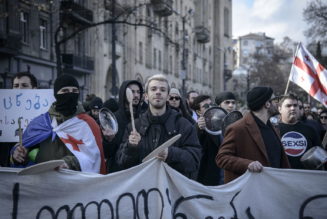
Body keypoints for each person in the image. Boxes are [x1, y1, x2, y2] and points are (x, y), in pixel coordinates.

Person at [10, 74, 106, 173]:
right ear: (56, 94)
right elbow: (25, 152)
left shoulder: (88, 123)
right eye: (65, 91)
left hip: (76, 183)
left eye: (74, 91)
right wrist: (17, 153)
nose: (70, 94)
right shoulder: (40, 122)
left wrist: (70, 163)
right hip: (43, 182)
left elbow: (94, 156)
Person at [116, 74, 201, 179]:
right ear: (146, 96)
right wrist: (131, 147)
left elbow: (195, 161)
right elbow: (122, 164)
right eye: (153, 89)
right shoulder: (134, 127)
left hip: (172, 190)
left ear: (167, 96)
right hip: (143, 190)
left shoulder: (184, 125)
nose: (158, 92)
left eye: (162, 89)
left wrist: (171, 154)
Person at [216, 86, 290, 183]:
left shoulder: (273, 127)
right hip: (250, 189)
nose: (277, 104)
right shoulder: (238, 128)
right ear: (267, 104)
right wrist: (247, 164)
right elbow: (221, 158)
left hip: (272, 187)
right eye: (274, 100)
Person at [0, 72, 38, 167]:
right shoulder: (4, 112)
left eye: (24, 85)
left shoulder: (42, 116)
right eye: (16, 85)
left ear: (34, 89)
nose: (19, 89)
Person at [106, 80, 144, 172]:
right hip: (118, 172)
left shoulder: (143, 117)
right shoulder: (114, 118)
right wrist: (109, 140)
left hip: (138, 171)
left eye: (138, 92)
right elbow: (107, 152)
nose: (136, 95)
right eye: (132, 92)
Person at [278, 94, 322, 169]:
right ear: (280, 109)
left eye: (295, 105)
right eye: (288, 106)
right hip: (282, 176)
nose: (293, 108)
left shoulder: (310, 130)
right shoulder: (274, 130)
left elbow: (320, 155)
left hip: (305, 176)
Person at [193, 95, 225, 185]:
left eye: (211, 104)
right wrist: (198, 129)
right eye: (205, 106)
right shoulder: (196, 127)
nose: (210, 107)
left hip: (220, 174)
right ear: (199, 112)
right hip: (204, 177)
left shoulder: (219, 124)